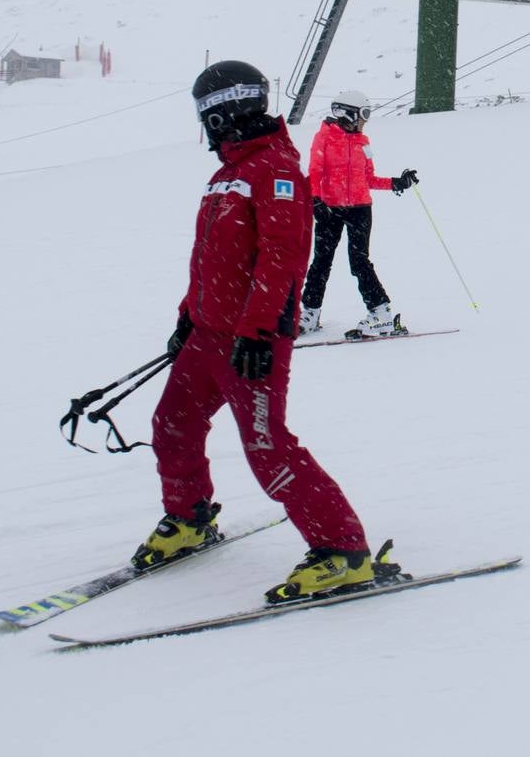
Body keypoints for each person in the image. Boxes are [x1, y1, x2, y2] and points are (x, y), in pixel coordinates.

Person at [135, 60, 393, 605]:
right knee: (172, 424)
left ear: (224, 115)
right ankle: (189, 518)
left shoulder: (273, 172)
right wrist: (187, 318)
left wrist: (256, 331)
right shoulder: (225, 174)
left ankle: (341, 551)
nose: (205, 129)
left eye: (207, 117)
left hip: (250, 342)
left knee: (267, 448)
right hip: (207, 334)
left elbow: (283, 257)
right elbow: (209, 260)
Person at [300, 90, 419, 339]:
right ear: (347, 113)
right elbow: (314, 173)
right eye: (364, 114)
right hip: (330, 209)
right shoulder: (323, 138)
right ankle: (309, 313)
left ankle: (381, 314)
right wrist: (316, 202)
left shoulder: (362, 142)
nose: (366, 120)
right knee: (321, 262)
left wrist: (396, 182)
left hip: (360, 210)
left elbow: (368, 179)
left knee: (359, 261)